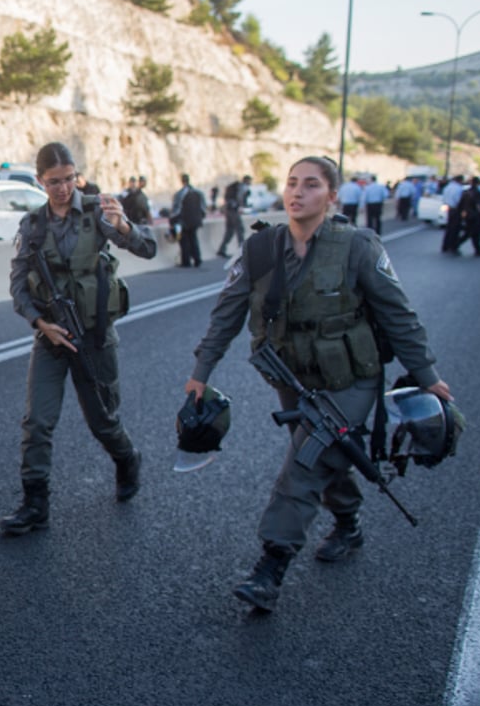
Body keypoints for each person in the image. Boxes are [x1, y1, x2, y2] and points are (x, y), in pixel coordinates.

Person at [183, 155, 452, 612]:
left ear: (332, 195)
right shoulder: (261, 249)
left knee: (304, 463)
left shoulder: (358, 247)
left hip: (351, 378)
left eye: (310, 185)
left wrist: (428, 378)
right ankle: (348, 522)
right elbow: (226, 314)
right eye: (291, 183)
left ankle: (271, 566)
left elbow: (399, 316)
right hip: (293, 378)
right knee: (326, 455)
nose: (297, 192)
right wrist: (200, 374)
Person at [0, 142, 157, 536]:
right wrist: (40, 323)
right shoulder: (32, 225)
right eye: (54, 182)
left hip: (95, 337)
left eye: (69, 179)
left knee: (103, 421)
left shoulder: (97, 212)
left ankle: (127, 459)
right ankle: (35, 504)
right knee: (37, 422)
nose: (63, 188)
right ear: (40, 182)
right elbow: (17, 285)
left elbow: (148, 247)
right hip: (52, 337)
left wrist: (122, 226)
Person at [171, 173, 207, 267]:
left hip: (185, 222)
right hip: (195, 221)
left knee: (184, 242)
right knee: (194, 240)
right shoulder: (199, 193)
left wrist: (172, 220)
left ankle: (186, 261)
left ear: (182, 181)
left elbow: (176, 209)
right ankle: (197, 259)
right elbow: (203, 208)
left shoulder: (180, 194)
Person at [216, 174, 251, 258]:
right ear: (247, 180)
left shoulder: (236, 186)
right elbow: (240, 199)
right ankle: (242, 250)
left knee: (229, 231)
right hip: (233, 211)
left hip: (228, 210)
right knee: (240, 230)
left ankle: (221, 249)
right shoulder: (242, 187)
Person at [458, 176, 480, 257]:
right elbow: (478, 205)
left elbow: (461, 204)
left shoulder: (466, 192)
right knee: (475, 233)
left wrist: (462, 212)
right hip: (475, 215)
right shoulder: (478, 193)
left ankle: (456, 243)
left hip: (467, 214)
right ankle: (478, 249)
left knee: (468, 231)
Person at [441, 175, 465, 253]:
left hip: (449, 208)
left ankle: (445, 246)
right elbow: (458, 200)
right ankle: (453, 246)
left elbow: (444, 198)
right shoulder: (458, 188)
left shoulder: (448, 187)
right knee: (455, 229)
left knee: (449, 228)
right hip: (456, 209)